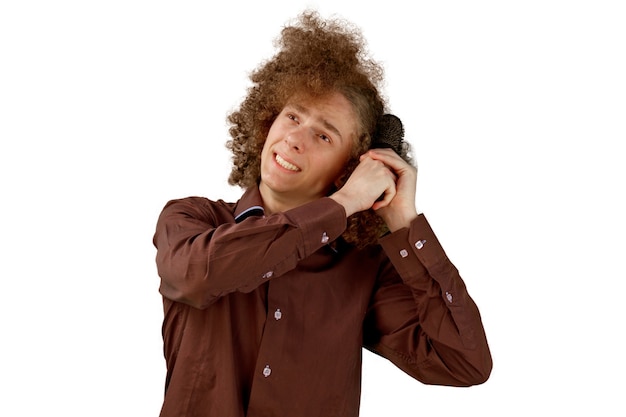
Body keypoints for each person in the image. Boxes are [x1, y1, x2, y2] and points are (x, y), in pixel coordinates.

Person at [153, 11, 492, 417]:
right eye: (293, 116)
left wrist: (403, 222)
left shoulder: (363, 269)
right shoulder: (192, 221)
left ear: (351, 168)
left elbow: (464, 362)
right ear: (267, 120)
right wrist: (345, 204)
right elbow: (198, 275)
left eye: (323, 134)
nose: (294, 138)